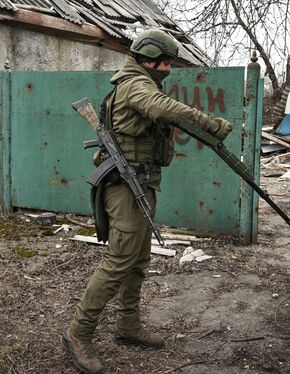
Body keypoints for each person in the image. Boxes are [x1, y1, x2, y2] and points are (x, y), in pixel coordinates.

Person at [61, 28, 233, 374]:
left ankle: (128, 327)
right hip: (124, 186)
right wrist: (210, 124)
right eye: (165, 62)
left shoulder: (139, 80)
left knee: (137, 260)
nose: (168, 69)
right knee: (119, 260)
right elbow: (161, 108)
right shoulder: (136, 84)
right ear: (148, 59)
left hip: (141, 182)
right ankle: (77, 334)